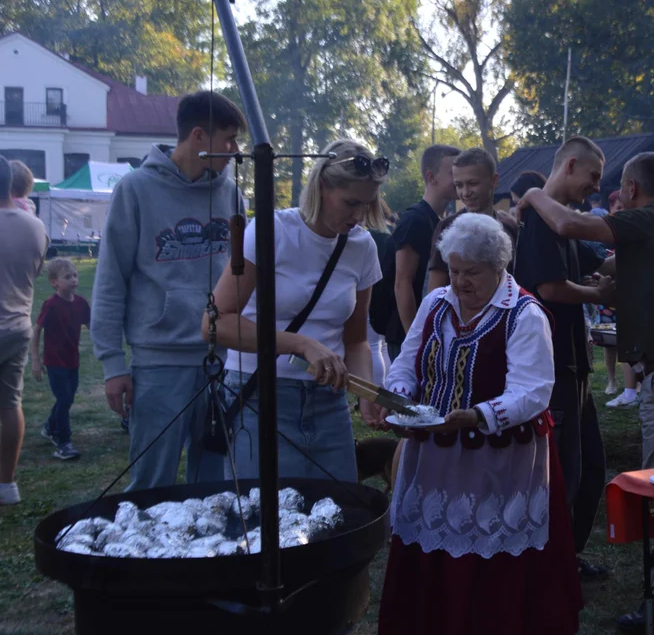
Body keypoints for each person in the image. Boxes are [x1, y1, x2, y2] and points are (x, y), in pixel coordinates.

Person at [517, 151, 654, 633]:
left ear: (630, 189)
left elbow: (567, 225)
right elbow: (611, 263)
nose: (602, 189)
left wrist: (530, 194)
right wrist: (601, 281)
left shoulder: (647, 219)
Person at [377, 213, 582, 635]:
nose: (459, 282)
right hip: (433, 454)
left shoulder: (525, 315)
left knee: (488, 555)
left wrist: (478, 417)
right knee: (432, 547)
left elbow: (533, 391)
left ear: (499, 267)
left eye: (471, 273)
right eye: (453, 270)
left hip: (499, 461)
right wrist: (398, 395)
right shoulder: (436, 303)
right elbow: (406, 362)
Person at [91, 91, 245, 490]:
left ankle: (206, 554)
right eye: (228, 139)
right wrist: (113, 365)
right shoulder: (136, 190)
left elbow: (243, 275)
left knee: (214, 482)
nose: (235, 150)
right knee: (151, 480)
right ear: (198, 136)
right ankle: (138, 552)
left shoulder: (230, 194)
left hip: (219, 359)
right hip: (158, 362)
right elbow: (110, 281)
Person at [210, 139, 387, 481]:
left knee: (337, 511)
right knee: (269, 519)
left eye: (366, 205)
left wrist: (366, 393)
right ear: (322, 186)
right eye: (350, 203)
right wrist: (299, 343)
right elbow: (216, 324)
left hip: (328, 401)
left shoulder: (362, 247)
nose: (358, 216)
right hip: (259, 395)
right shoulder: (270, 231)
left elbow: (355, 341)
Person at [514, 136, 614, 580]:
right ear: (570, 165)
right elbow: (549, 289)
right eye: (592, 177)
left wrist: (590, 279)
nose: (594, 187)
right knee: (566, 471)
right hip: (551, 365)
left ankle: (565, 558)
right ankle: (552, 567)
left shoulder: (564, 220)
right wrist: (599, 293)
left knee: (591, 467)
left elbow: (563, 278)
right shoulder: (539, 219)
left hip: (574, 361)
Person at [0, 156, 49, 505]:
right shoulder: (35, 226)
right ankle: (7, 485)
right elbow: (35, 271)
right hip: (18, 326)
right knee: (10, 404)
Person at [384, 144, 459, 360]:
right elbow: (402, 283)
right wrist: (415, 341)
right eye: (452, 172)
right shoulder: (414, 220)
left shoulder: (438, 221)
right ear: (431, 176)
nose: (459, 178)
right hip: (408, 337)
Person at [428, 148, 518, 293]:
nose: (465, 192)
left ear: (494, 181)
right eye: (459, 185)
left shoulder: (509, 227)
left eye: (473, 183)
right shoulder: (449, 227)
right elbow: (435, 290)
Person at [31, 258, 91, 460]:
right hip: (54, 360)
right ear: (54, 282)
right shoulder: (51, 305)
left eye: (75, 275)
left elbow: (93, 327)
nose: (73, 280)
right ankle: (63, 442)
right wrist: (36, 361)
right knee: (64, 399)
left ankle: (50, 426)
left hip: (72, 359)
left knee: (68, 398)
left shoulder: (81, 303)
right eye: (67, 277)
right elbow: (36, 330)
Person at [600, 191, 639, 407]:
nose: (621, 212)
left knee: (630, 342)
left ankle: (634, 389)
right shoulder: (605, 236)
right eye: (617, 209)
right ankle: (617, 384)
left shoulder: (633, 233)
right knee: (612, 344)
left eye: (625, 208)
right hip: (611, 298)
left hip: (631, 298)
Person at [367, 198, 394, 386]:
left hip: (373, 296)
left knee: (373, 346)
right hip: (389, 296)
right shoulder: (391, 234)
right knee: (383, 346)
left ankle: (376, 390)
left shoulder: (368, 238)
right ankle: (387, 389)